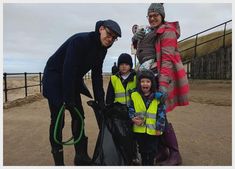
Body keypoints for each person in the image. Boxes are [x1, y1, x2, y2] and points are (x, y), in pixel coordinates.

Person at [42, 19, 121, 166]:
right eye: (109, 34)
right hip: (54, 77)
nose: (110, 39)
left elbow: (97, 76)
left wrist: (101, 102)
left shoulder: (102, 50)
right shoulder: (80, 41)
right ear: (101, 29)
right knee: (58, 120)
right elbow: (68, 68)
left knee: (79, 116)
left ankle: (81, 156)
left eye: (114, 38)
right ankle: (59, 163)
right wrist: (68, 99)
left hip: (70, 80)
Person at [132, 3, 189, 165]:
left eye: (155, 15)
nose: (152, 18)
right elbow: (142, 46)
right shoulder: (152, 31)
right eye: (150, 15)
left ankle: (175, 154)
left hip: (160, 79)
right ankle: (162, 151)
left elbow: (167, 60)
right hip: (151, 76)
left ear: (162, 16)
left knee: (161, 115)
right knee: (155, 114)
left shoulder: (167, 31)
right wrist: (135, 38)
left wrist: (163, 85)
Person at [128, 70, 166, 166]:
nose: (145, 84)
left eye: (148, 81)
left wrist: (159, 128)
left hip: (153, 132)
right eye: (142, 81)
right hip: (139, 131)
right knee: (143, 151)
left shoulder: (158, 98)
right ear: (139, 83)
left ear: (152, 83)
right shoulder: (134, 95)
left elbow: (161, 114)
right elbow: (130, 109)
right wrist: (132, 118)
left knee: (152, 151)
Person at [105, 53, 137, 165]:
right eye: (121, 64)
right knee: (121, 135)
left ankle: (134, 155)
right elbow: (109, 95)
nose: (124, 66)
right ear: (118, 66)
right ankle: (122, 155)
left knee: (133, 135)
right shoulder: (113, 78)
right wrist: (108, 108)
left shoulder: (136, 78)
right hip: (119, 112)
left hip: (133, 112)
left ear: (130, 66)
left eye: (126, 64)